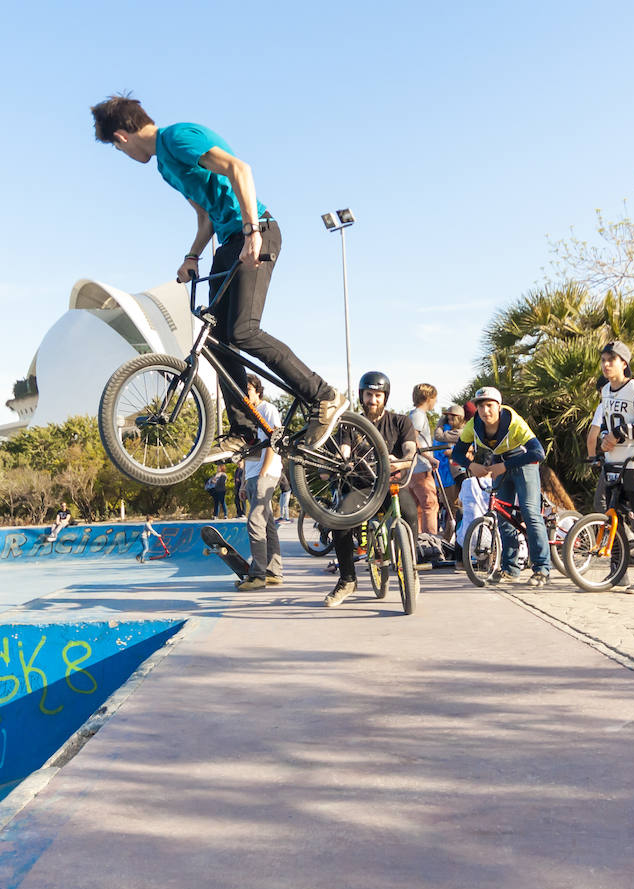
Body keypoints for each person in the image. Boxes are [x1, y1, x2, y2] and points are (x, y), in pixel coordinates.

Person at [90, 94, 348, 455]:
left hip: (257, 231)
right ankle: (245, 430)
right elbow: (206, 215)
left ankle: (323, 395)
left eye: (118, 150)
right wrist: (192, 254)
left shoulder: (177, 138)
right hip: (229, 241)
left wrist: (252, 230)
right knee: (217, 339)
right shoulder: (165, 165)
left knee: (244, 330)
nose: (125, 156)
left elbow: (240, 169)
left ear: (121, 136)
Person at [324, 372, 418, 608]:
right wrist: (341, 460)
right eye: (369, 395)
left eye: (378, 395)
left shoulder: (400, 422)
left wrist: (401, 461)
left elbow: (410, 451)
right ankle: (347, 580)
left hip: (390, 484)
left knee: (409, 513)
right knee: (340, 522)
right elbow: (344, 449)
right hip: (361, 486)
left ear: (385, 397)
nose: (373, 400)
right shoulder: (350, 423)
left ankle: (411, 569)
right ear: (361, 396)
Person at [452, 386, 551, 587]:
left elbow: (538, 452)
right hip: (499, 465)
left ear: (499, 406)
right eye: (481, 406)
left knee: (530, 513)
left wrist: (503, 466)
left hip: (523, 464)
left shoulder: (514, 422)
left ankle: (542, 569)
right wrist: (472, 465)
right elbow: (457, 453)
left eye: (489, 405)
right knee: (502, 517)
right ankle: (510, 569)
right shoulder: (474, 425)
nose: (485, 411)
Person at [586, 341, 634, 593]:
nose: (606, 364)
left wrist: (618, 434)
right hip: (613, 462)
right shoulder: (606, 390)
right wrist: (606, 439)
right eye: (604, 360)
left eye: (612, 360)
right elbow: (607, 422)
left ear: (624, 363)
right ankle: (618, 571)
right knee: (613, 516)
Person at [236, 375, 283, 590]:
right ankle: (274, 572)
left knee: (255, 521)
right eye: (243, 391)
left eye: (249, 390)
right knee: (268, 523)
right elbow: (247, 451)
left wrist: (264, 471)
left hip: (268, 471)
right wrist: (245, 482)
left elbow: (274, 441)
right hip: (253, 475)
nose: (246, 395)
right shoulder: (247, 416)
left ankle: (258, 576)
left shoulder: (268, 410)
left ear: (258, 391)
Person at [408, 383, 440, 535]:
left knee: (418, 508)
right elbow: (413, 440)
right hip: (421, 468)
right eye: (434, 398)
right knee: (430, 505)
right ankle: (430, 541)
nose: (435, 402)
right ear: (428, 398)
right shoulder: (418, 416)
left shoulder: (413, 414)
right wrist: (429, 458)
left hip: (413, 469)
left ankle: (418, 541)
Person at [434, 404, 465, 541]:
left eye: (452, 419)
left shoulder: (459, 432)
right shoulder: (455, 430)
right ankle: (450, 538)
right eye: (448, 419)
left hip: (456, 475)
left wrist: (441, 420)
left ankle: (450, 539)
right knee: (452, 508)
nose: (450, 422)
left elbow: (439, 436)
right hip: (452, 474)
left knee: (454, 508)